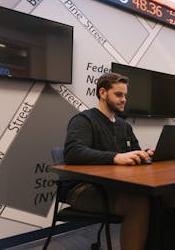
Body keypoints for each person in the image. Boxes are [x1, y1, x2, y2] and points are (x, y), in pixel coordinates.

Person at [64, 73, 153, 250]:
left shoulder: (124, 126)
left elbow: (133, 152)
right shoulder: (84, 120)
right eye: (118, 95)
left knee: (159, 196)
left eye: (125, 95)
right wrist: (115, 157)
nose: (124, 100)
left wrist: (144, 154)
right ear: (103, 93)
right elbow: (73, 152)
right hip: (82, 188)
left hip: (114, 186)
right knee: (138, 203)